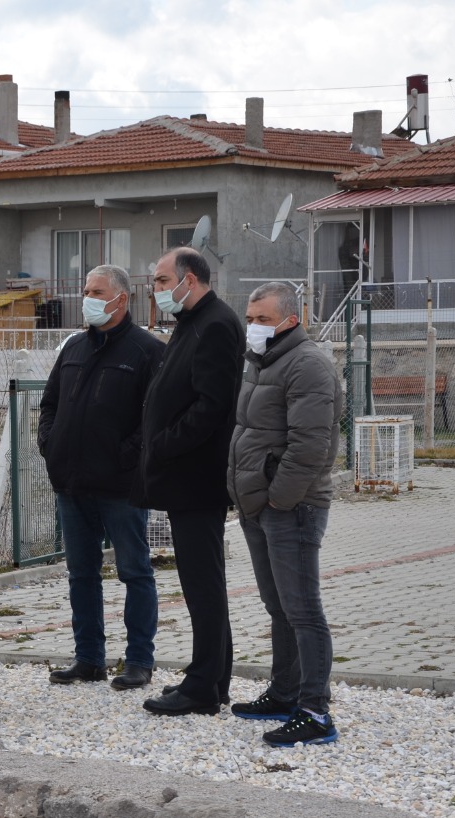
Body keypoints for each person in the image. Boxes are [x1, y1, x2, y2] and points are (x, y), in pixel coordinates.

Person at [227, 281, 341, 745]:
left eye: (263, 320)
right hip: (258, 503)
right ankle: (284, 691)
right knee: (278, 607)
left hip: (291, 506)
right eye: (250, 319)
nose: (253, 328)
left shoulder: (308, 364)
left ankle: (315, 711)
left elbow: (311, 445)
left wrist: (278, 497)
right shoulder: (260, 361)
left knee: (302, 610)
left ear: (291, 321)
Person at [37, 265, 162, 691]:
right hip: (71, 484)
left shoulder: (147, 351)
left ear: (121, 299)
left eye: (96, 291)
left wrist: (124, 458)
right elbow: (50, 403)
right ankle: (88, 657)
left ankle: (139, 661)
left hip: (120, 487)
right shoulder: (73, 346)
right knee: (81, 574)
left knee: (135, 571)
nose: (87, 297)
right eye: (86, 289)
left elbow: (154, 419)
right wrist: (49, 444)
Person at [136, 247, 245, 717]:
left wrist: (162, 444)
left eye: (161, 281)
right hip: (184, 476)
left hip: (197, 477)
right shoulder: (191, 322)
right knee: (202, 581)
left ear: (190, 279)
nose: (156, 290)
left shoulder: (216, 323)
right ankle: (212, 677)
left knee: (203, 582)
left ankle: (202, 687)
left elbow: (211, 406)